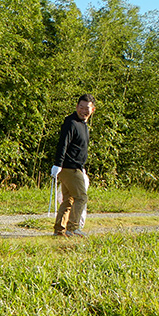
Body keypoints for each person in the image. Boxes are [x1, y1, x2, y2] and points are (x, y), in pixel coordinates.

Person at [51, 94, 96, 237]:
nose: (83, 111)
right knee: (81, 197)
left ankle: (60, 230)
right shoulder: (71, 122)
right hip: (69, 167)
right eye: (81, 107)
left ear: (92, 110)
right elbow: (62, 144)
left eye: (87, 108)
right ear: (76, 107)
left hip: (76, 166)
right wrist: (57, 164)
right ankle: (73, 228)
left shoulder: (83, 125)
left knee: (68, 199)